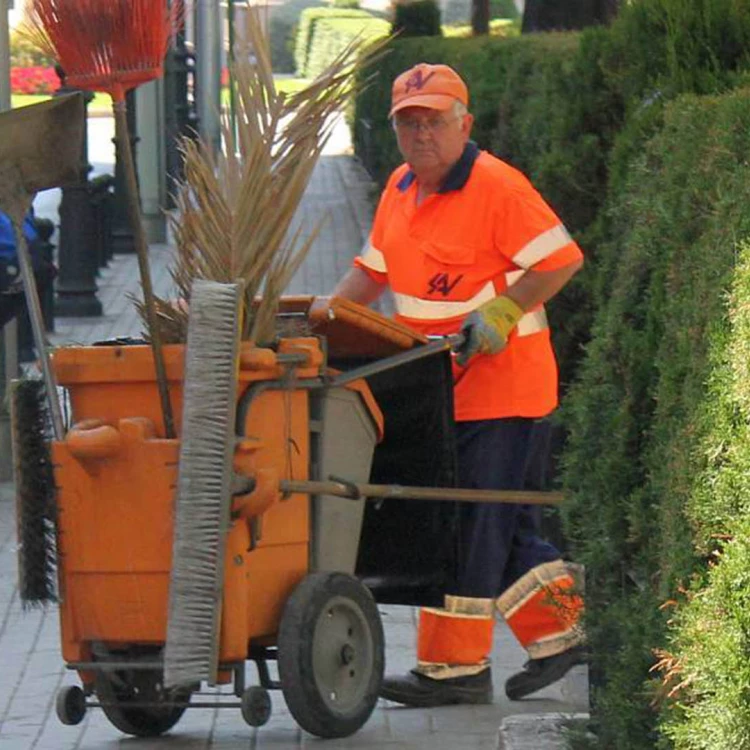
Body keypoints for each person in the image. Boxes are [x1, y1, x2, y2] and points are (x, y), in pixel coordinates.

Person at [317, 62, 586, 706]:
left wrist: (499, 313)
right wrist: (322, 323)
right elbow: (369, 272)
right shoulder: (401, 188)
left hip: (503, 390)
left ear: (464, 123)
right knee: (497, 525)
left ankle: (456, 671)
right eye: (409, 123)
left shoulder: (497, 186)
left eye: (434, 120)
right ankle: (565, 634)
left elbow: (561, 260)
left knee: (469, 527)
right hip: (442, 393)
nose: (421, 135)